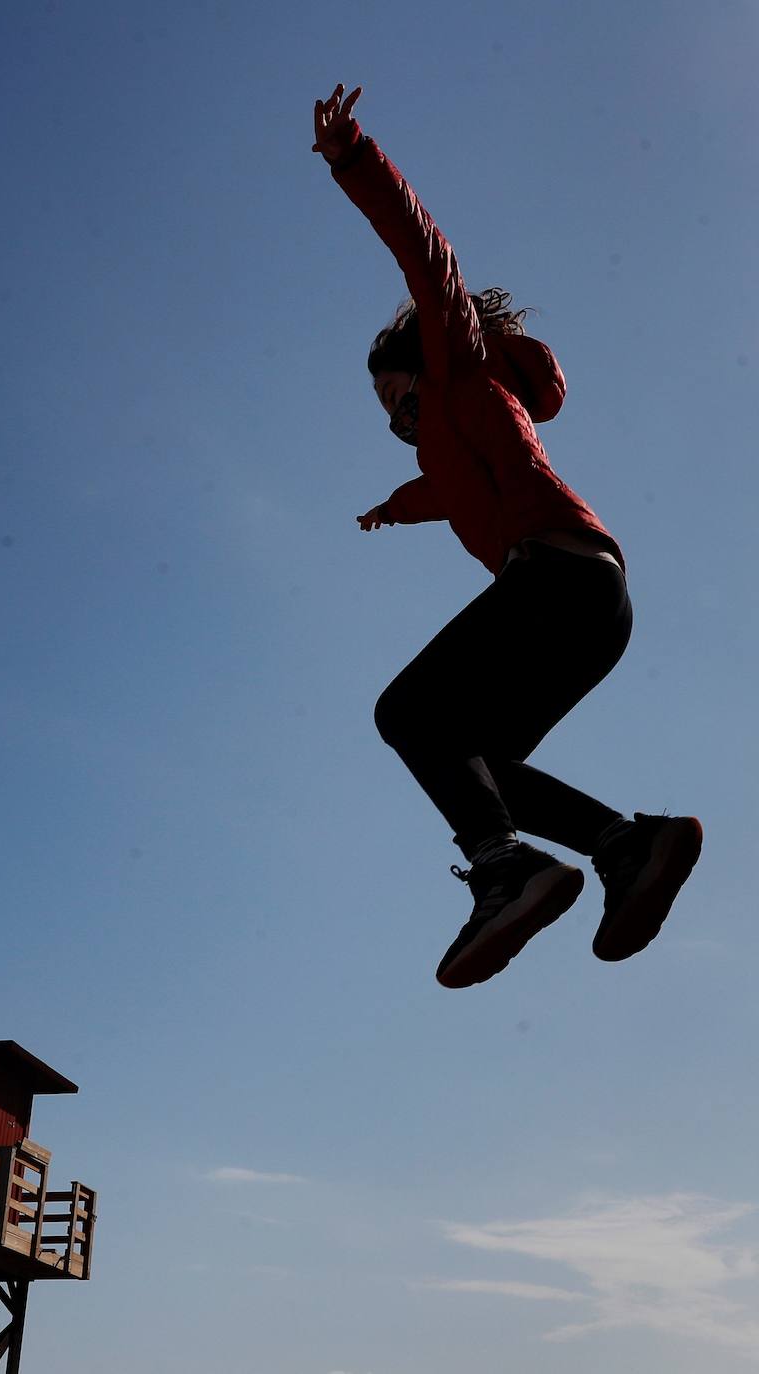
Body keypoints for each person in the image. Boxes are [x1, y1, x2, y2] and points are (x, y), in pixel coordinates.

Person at [312, 83, 702, 989]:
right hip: (595, 603)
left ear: (420, 364)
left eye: (393, 396)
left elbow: (426, 253)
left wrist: (351, 157)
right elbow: (441, 492)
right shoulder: (457, 447)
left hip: (555, 585)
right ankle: (628, 846)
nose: (397, 416)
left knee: (405, 714)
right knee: (477, 760)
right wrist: (391, 509)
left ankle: (507, 869)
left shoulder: (455, 361)